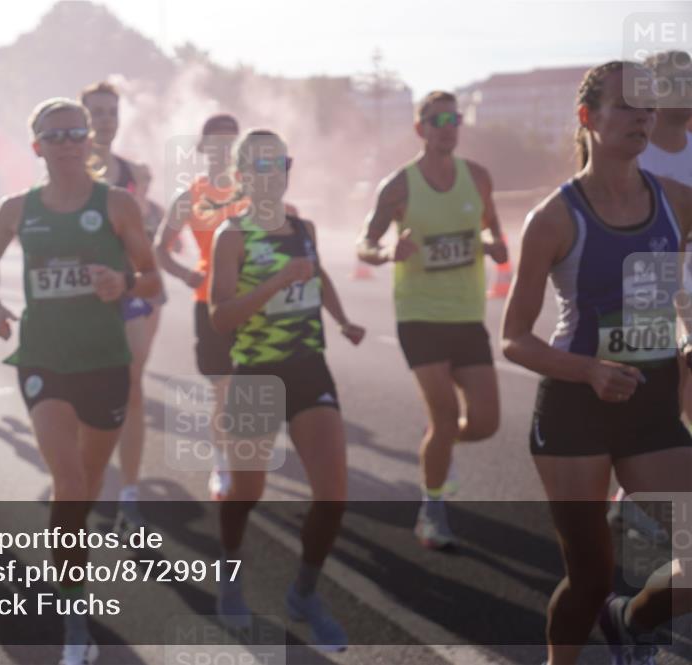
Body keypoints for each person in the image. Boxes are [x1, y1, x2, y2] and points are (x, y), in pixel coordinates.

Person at [501, 60, 692, 665]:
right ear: (588, 116)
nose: (643, 117)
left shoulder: (678, 202)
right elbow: (513, 338)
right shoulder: (553, 218)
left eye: (649, 106)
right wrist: (589, 371)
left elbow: (677, 290)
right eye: (628, 104)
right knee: (589, 576)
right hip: (576, 409)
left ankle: (631, 620)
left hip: (652, 402)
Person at [0, 98, 160, 665]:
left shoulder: (117, 203)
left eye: (75, 132)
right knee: (70, 482)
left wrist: (122, 282)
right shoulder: (16, 208)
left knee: (86, 483)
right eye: (54, 136)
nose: (67, 142)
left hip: (104, 360)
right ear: (38, 147)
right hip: (44, 359)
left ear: (87, 141)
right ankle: (75, 621)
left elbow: (152, 278)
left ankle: (72, 564)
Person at [209, 129, 365, 652]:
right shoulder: (232, 235)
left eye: (281, 163)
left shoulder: (304, 228)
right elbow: (220, 316)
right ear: (242, 176)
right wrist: (276, 282)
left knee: (333, 496)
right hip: (256, 374)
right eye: (261, 165)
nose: (273, 173)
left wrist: (342, 320)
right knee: (246, 492)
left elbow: (318, 276)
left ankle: (303, 593)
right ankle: (231, 579)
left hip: (309, 371)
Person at [357, 91, 507, 549]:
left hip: (467, 314)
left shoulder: (477, 177)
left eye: (454, 119)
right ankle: (431, 511)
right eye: (438, 120)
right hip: (419, 315)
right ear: (420, 129)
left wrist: (494, 246)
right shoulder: (399, 186)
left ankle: (437, 448)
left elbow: (493, 229)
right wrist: (388, 252)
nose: (448, 127)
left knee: (485, 422)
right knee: (443, 416)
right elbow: (365, 244)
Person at [608, 50, 692, 542]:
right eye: (677, 80)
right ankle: (637, 497)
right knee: (655, 404)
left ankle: (638, 497)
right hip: (644, 293)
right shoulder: (634, 153)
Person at [80, 82, 165, 530]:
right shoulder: (67, 168)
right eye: (96, 111)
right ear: (82, 117)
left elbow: (145, 235)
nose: (105, 119)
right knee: (85, 390)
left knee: (131, 385)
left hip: (130, 290)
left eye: (111, 111)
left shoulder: (131, 173)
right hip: (81, 297)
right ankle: (86, 475)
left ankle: (129, 493)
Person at [155, 114, 251, 501]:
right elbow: (160, 248)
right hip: (211, 302)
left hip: (254, 299)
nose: (224, 149)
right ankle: (222, 464)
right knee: (223, 389)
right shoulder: (190, 196)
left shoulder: (253, 188)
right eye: (217, 141)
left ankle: (247, 457)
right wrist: (185, 274)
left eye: (231, 141)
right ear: (204, 147)